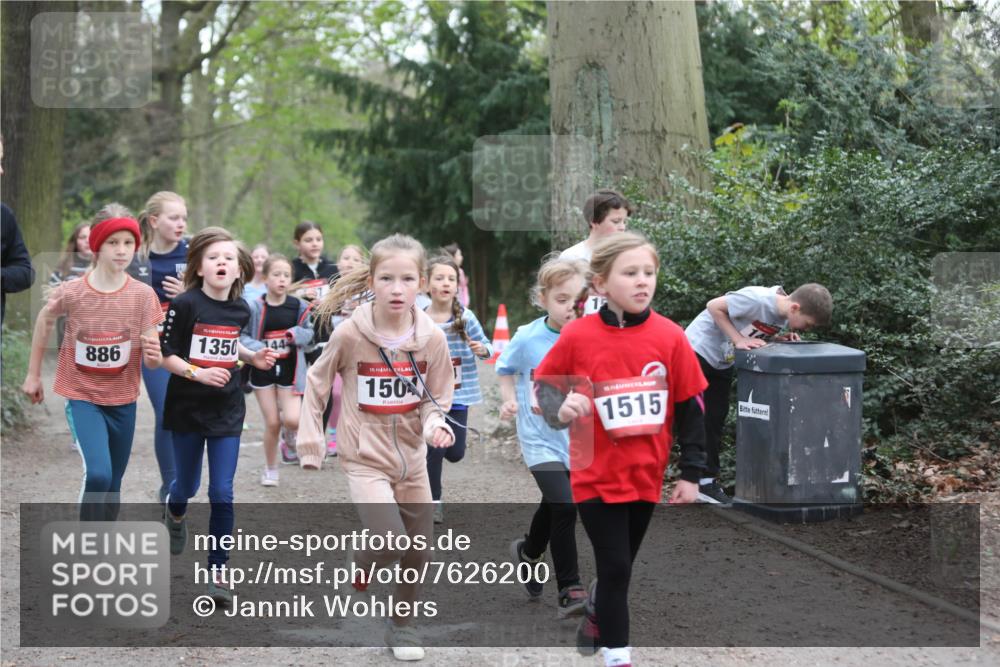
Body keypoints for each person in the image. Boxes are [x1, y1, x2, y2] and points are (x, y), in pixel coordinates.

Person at [534, 232, 708, 667]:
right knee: (615, 569)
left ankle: (596, 607)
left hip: (645, 475)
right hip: (593, 473)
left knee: (619, 568)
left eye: (649, 272)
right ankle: (618, 657)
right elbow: (544, 387)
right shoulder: (578, 336)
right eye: (630, 273)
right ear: (600, 285)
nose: (642, 281)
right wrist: (562, 404)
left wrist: (691, 473)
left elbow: (692, 407)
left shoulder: (670, 337)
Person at [297, 233, 454, 662]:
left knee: (418, 549)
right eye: (387, 278)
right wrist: (311, 437)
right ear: (372, 280)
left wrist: (436, 424)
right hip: (364, 456)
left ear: (421, 282)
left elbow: (436, 396)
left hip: (414, 461)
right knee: (391, 540)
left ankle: (402, 625)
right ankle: (364, 560)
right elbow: (317, 380)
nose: (397, 288)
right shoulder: (351, 333)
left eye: (407, 279)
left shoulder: (432, 339)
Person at [21, 206, 163, 521]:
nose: (122, 250)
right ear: (97, 245)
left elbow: (153, 359)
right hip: (83, 395)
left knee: (113, 484)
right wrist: (33, 375)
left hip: (124, 400)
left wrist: (153, 355)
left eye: (128, 242)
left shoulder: (143, 295)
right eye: (113, 242)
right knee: (98, 474)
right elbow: (45, 320)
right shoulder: (73, 292)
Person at [158, 227, 276, 606]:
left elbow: (229, 344)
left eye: (228, 258)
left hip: (226, 408)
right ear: (200, 267)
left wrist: (251, 356)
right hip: (188, 407)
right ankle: (175, 514)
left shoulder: (242, 308)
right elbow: (166, 355)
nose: (221, 262)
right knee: (187, 487)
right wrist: (198, 372)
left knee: (221, 492)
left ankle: (218, 571)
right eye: (213, 258)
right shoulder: (186, 304)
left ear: (241, 270)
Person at [497, 255, 589, 617]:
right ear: (543, 299)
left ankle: (529, 551)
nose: (570, 308)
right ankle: (570, 588)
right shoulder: (528, 337)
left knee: (556, 503)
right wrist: (508, 400)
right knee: (566, 505)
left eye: (576, 300)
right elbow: (505, 368)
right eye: (561, 300)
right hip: (539, 439)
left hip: (579, 440)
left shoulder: (593, 337)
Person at [684, 283, 833, 503]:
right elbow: (714, 306)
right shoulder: (758, 299)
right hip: (697, 350)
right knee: (690, 415)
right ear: (794, 308)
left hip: (722, 361)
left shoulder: (781, 316)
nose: (805, 329)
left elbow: (751, 330)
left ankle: (703, 484)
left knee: (714, 418)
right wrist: (738, 340)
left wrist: (775, 339)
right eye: (807, 324)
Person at [423, 253, 492, 523]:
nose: (445, 283)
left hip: (460, 395)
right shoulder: (418, 317)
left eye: (451, 279)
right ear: (427, 284)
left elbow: (487, 348)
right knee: (435, 449)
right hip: (430, 396)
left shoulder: (466, 317)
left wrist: (481, 348)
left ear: (458, 284)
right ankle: (433, 502)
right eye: (439, 278)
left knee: (455, 452)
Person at [130, 191, 189, 503]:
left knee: (187, 413)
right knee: (166, 410)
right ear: (154, 220)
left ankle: (181, 480)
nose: (181, 224)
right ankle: (171, 488)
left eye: (184, 218)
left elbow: (221, 291)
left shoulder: (194, 252)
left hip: (189, 343)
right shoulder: (135, 256)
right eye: (173, 218)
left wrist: (189, 291)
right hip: (150, 343)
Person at [239, 254, 313, 487]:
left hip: (291, 372)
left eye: (286, 275)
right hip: (264, 372)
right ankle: (271, 469)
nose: (281, 279)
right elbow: (241, 336)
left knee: (292, 420)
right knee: (272, 423)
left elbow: (310, 336)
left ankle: (289, 437)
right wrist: (260, 349)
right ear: (266, 278)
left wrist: (294, 335)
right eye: (276, 274)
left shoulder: (299, 306)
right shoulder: (254, 307)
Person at [286, 221, 339, 463]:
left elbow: (340, 299)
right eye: (308, 240)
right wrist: (299, 295)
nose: (314, 244)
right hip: (299, 336)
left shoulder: (331, 268)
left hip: (325, 335)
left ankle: (317, 436)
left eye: (318, 239)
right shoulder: (292, 269)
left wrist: (331, 302)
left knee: (324, 388)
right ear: (297, 243)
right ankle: (293, 433)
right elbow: (280, 294)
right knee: (301, 388)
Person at [47, 222, 94, 450]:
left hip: (99, 336)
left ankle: (95, 430)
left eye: (90, 236)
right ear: (75, 242)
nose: (86, 241)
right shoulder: (64, 268)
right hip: (70, 337)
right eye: (82, 237)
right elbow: (52, 298)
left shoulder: (106, 266)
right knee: (74, 388)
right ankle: (78, 435)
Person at [325, 244, 368, 457]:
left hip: (362, 353)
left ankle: (358, 435)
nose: (349, 263)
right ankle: (334, 433)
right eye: (345, 258)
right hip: (336, 352)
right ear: (338, 263)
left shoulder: (369, 292)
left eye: (355, 259)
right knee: (336, 393)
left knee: (361, 397)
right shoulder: (329, 291)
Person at [560, 189, 632, 315]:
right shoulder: (571, 257)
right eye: (616, 221)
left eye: (624, 221)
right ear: (594, 221)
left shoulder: (630, 256)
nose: (622, 227)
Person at [443, 242, 469, 307]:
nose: (461, 257)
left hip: (461, 305)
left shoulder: (460, 271)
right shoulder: (446, 271)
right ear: (452, 257)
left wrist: (466, 303)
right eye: (459, 255)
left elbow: (463, 289)